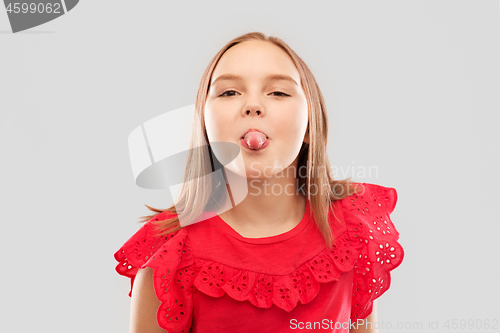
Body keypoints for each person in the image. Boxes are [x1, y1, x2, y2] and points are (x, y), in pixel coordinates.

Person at [114, 31, 404, 333]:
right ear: (204, 125)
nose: (253, 106)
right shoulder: (170, 258)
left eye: (278, 92)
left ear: (309, 125)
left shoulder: (353, 232)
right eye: (229, 92)